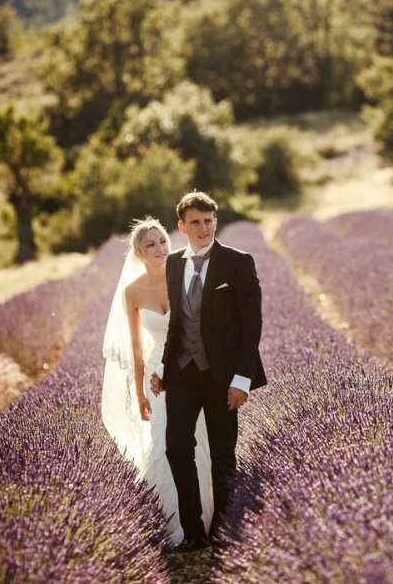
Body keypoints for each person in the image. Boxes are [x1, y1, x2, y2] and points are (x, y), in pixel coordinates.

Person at [151, 191, 266, 554]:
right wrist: (162, 367)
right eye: (196, 223)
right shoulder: (173, 263)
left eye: (208, 221)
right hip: (182, 374)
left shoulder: (238, 262)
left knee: (223, 455)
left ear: (215, 222)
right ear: (182, 226)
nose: (203, 228)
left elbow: (252, 325)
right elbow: (177, 325)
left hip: (223, 378)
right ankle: (193, 532)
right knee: (176, 449)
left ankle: (222, 530)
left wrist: (242, 379)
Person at [101, 217, 213, 545]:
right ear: (139, 253)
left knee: (197, 442)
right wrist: (138, 392)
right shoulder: (132, 292)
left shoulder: (185, 275)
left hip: (192, 371)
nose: (160, 248)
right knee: (164, 442)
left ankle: (204, 519)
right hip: (157, 380)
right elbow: (136, 348)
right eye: (151, 244)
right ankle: (166, 519)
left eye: (162, 241)